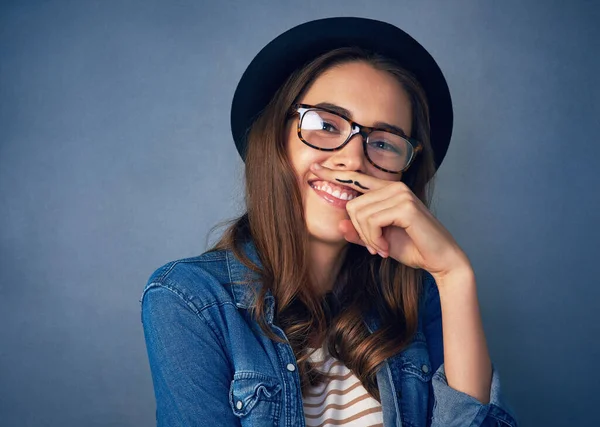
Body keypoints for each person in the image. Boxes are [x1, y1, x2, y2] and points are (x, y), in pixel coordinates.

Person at [140, 17, 519, 427]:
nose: (353, 160)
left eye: (383, 144)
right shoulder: (190, 300)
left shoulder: (420, 298)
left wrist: (454, 275)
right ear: (276, 139)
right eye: (325, 125)